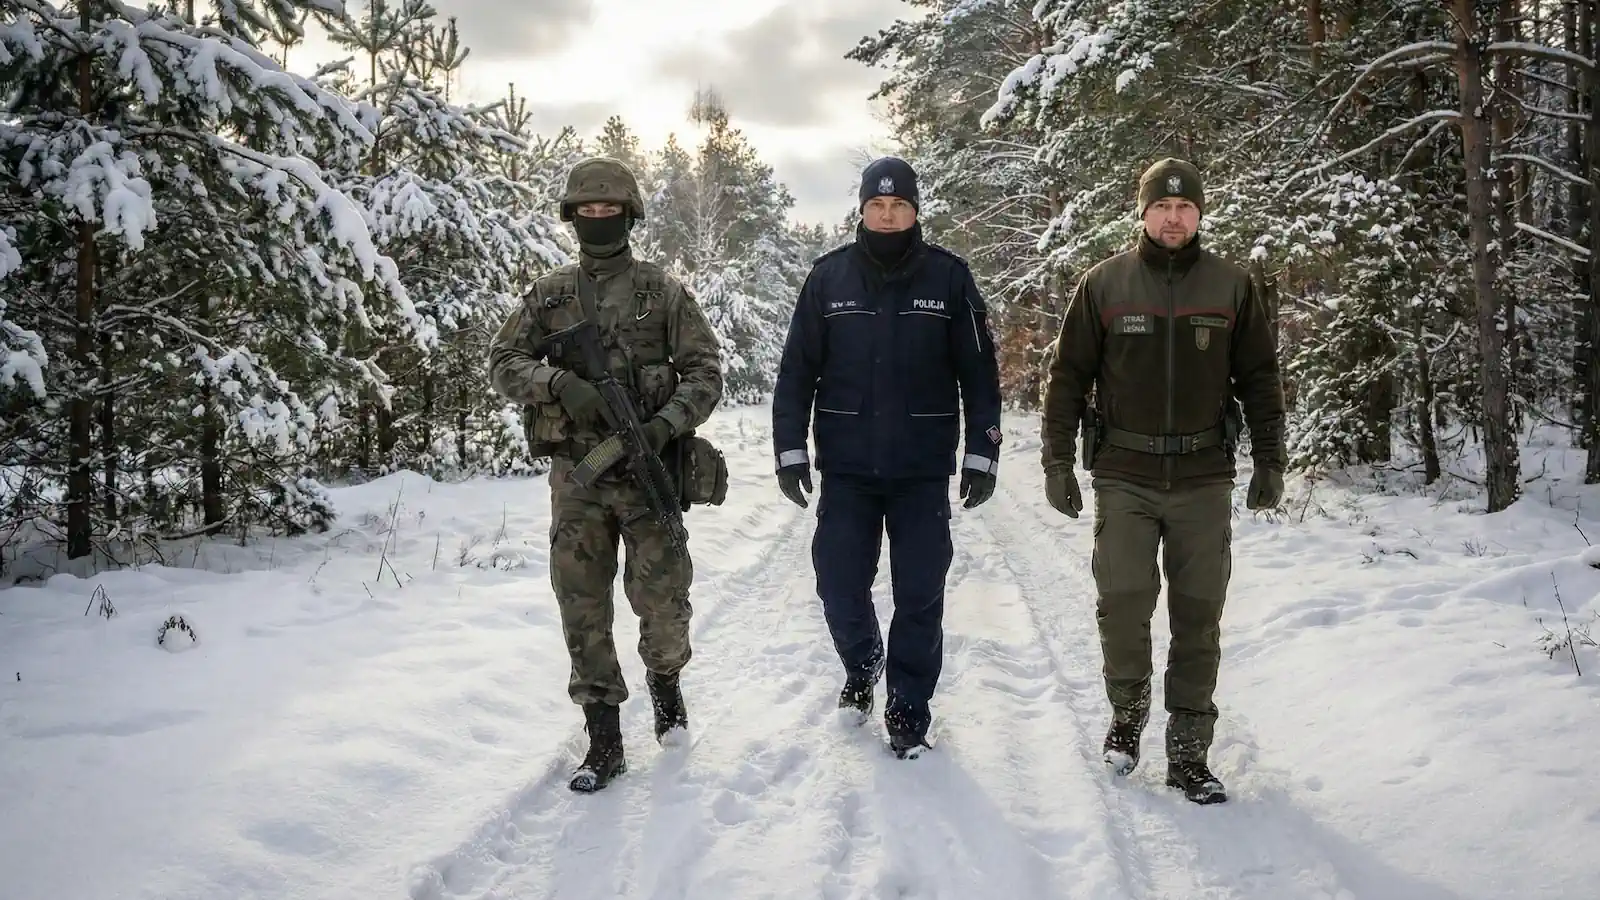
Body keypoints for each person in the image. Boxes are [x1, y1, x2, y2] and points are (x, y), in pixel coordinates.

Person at [1039, 157, 1286, 804]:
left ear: (1199, 213)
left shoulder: (1231, 286)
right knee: (1122, 601)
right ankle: (1127, 713)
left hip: (1205, 477)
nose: (1173, 218)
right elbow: (1067, 377)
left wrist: (1271, 459)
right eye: (1161, 207)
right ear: (1143, 213)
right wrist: (1057, 461)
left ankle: (1188, 752)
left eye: (1185, 208)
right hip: (1124, 473)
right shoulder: (1105, 284)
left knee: (1198, 615)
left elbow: (1260, 379)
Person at [487, 157, 724, 793]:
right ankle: (604, 742)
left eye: (609, 210)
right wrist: (557, 381)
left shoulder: (661, 291)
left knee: (663, 603)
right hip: (579, 479)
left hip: (648, 475)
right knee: (581, 606)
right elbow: (503, 361)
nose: (598, 219)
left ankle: (666, 684)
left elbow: (706, 372)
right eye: (586, 210)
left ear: (629, 214)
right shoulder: (550, 295)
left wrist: (662, 424)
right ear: (571, 216)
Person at [771, 156, 1003, 759]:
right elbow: (797, 371)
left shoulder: (949, 279)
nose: (889, 213)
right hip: (847, 469)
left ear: (916, 211)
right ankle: (863, 661)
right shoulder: (828, 279)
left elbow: (979, 375)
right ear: (863, 210)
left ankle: (908, 710)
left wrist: (983, 451)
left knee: (920, 592)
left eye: (900, 205)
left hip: (921, 471)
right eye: (879, 205)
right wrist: (791, 450)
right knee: (838, 584)